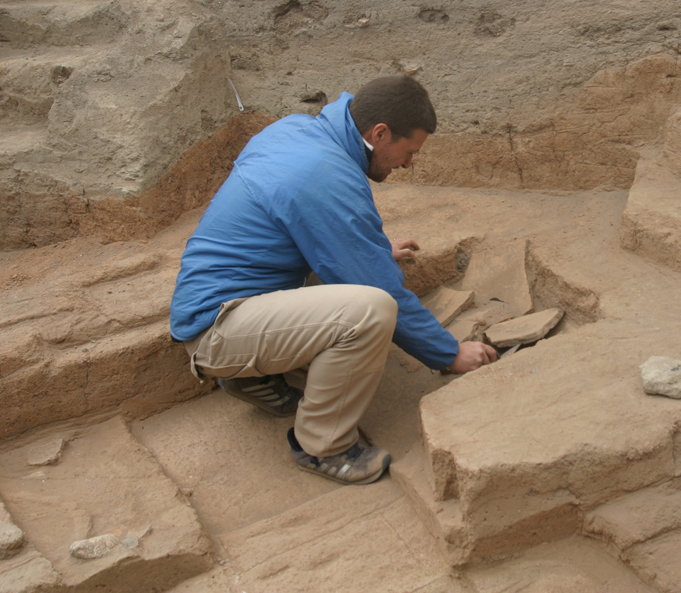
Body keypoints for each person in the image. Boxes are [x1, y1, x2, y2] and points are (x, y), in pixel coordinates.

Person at [169, 75, 497, 485]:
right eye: (409, 151)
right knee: (373, 309)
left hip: (225, 304)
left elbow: (304, 224)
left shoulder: (299, 132)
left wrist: (370, 248)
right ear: (379, 133)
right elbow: (382, 288)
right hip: (217, 329)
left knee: (360, 275)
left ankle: (254, 378)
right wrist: (448, 354)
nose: (408, 164)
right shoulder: (321, 174)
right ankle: (322, 446)